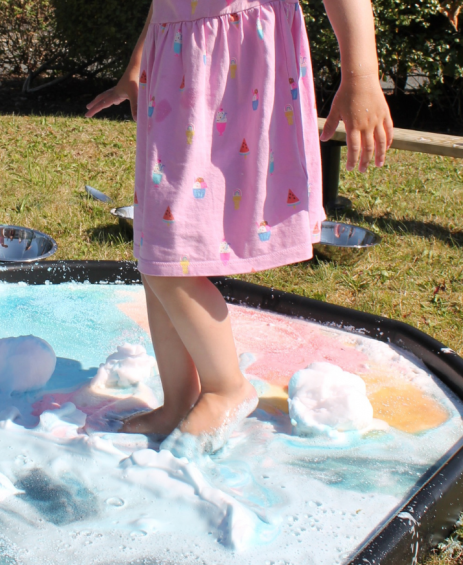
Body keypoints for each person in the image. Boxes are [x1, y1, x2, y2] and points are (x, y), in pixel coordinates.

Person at [86, 0, 393, 451]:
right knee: (157, 247)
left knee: (168, 257)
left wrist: (362, 77)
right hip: (176, 66)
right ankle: (179, 400)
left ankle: (227, 387)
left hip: (233, 67)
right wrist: (137, 65)